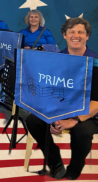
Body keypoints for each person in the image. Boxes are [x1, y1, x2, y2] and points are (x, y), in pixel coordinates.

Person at [25, 18, 98, 180]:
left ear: (87, 36)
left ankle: (75, 168)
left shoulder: (95, 64)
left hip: (87, 114)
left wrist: (74, 120)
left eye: (80, 32)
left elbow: (96, 103)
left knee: (82, 132)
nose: (76, 35)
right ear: (64, 35)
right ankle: (55, 161)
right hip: (60, 109)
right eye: (71, 32)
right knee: (33, 120)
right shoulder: (56, 60)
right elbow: (48, 93)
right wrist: (52, 117)